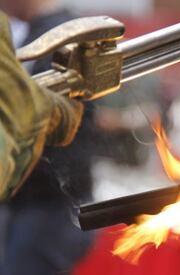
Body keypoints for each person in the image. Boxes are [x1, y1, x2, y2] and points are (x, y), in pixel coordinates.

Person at [0, 1, 96, 274]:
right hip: (35, 205)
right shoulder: (39, 33)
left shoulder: (61, 34)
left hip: (51, 208)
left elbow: (58, 126)